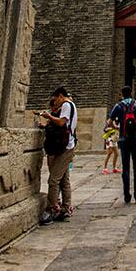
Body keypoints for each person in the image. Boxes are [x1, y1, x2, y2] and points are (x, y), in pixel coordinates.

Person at [38, 85, 78, 224]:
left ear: (61, 96)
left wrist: (48, 116)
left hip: (64, 147)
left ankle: (52, 209)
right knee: (64, 180)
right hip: (68, 145)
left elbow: (61, 123)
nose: (56, 103)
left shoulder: (66, 105)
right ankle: (66, 207)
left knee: (53, 180)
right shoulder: (71, 105)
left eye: (56, 100)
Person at [108, 85, 136, 204]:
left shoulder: (118, 106)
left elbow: (109, 121)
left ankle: (127, 196)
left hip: (123, 139)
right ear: (131, 93)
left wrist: (117, 127)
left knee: (125, 168)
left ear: (122, 94)